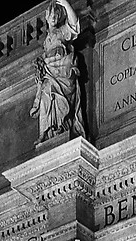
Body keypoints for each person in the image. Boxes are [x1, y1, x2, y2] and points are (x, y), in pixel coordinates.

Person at [34, 0, 86, 144]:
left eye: (57, 14)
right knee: (46, 93)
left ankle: (60, 126)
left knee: (55, 96)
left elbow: (74, 25)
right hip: (50, 73)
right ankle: (46, 131)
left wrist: (66, 4)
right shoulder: (46, 40)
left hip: (62, 71)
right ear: (46, 15)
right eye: (52, 13)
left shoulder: (62, 31)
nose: (54, 17)